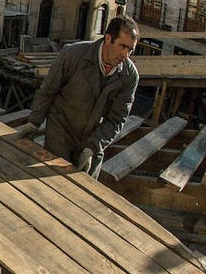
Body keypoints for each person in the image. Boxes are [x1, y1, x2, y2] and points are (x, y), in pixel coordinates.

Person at [20, 16, 140, 178]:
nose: (126, 55)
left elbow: (116, 119)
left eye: (130, 50)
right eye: (122, 46)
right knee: (54, 184)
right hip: (61, 132)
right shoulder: (73, 55)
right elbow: (49, 90)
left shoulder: (129, 76)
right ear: (108, 38)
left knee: (85, 191)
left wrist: (93, 147)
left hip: (92, 139)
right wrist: (34, 122)